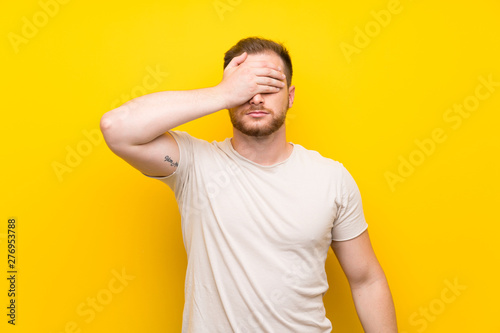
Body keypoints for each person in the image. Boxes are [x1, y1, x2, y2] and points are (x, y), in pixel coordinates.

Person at [100, 37, 397, 333]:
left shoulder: (331, 178)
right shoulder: (194, 165)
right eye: (246, 88)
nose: (256, 98)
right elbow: (117, 128)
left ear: (290, 96)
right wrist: (222, 92)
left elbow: (367, 280)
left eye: (268, 87)